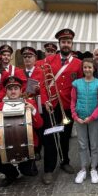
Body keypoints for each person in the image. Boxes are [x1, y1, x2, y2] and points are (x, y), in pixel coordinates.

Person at [40, 28, 83, 184]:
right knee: (50, 137)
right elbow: (43, 84)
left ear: (72, 44)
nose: (66, 44)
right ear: (59, 43)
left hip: (67, 105)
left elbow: (79, 85)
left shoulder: (78, 63)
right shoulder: (49, 61)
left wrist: (76, 104)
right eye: (63, 42)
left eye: (69, 42)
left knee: (65, 136)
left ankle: (65, 161)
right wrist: (45, 101)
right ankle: (49, 169)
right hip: (51, 105)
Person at [0, 76, 44, 187]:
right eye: (10, 89)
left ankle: (28, 164)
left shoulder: (29, 103)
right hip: (5, 142)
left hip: (27, 142)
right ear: (6, 91)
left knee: (28, 172)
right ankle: (11, 173)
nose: (13, 91)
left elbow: (39, 124)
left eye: (16, 88)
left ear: (21, 90)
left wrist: (33, 110)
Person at [70, 58, 98, 184]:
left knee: (94, 145)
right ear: (82, 69)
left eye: (89, 67)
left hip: (94, 119)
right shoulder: (76, 83)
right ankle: (83, 169)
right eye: (85, 67)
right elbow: (73, 101)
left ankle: (93, 168)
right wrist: (75, 116)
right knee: (82, 145)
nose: (87, 70)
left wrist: (92, 117)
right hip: (80, 118)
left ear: (94, 68)